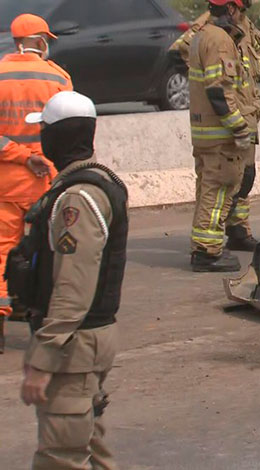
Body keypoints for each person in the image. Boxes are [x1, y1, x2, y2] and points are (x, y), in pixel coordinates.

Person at [9, 91, 126, 470]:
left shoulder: (78, 198)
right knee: (91, 449)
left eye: (44, 130)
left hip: (72, 346)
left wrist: (43, 357)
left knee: (60, 457)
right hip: (82, 341)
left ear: (57, 136)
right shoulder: (91, 184)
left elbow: (73, 287)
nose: (40, 137)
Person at [0, 14, 72, 353]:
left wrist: (18, 154)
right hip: (45, 180)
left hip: (5, 181)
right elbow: (70, 131)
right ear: (39, 40)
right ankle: (39, 318)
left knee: (1, 249)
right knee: (45, 250)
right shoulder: (58, 77)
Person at [171, 0, 260, 252]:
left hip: (247, 112)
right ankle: (209, 245)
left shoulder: (244, 27)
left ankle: (238, 229)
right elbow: (184, 52)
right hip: (228, 119)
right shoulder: (211, 30)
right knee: (222, 181)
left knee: (244, 177)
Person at [188, 0, 253, 271]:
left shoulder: (200, 36)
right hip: (220, 137)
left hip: (204, 134)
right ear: (230, 9)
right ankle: (207, 252)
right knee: (218, 193)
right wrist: (239, 127)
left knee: (207, 192)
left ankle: (204, 247)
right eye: (239, 10)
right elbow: (219, 92)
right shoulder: (221, 40)